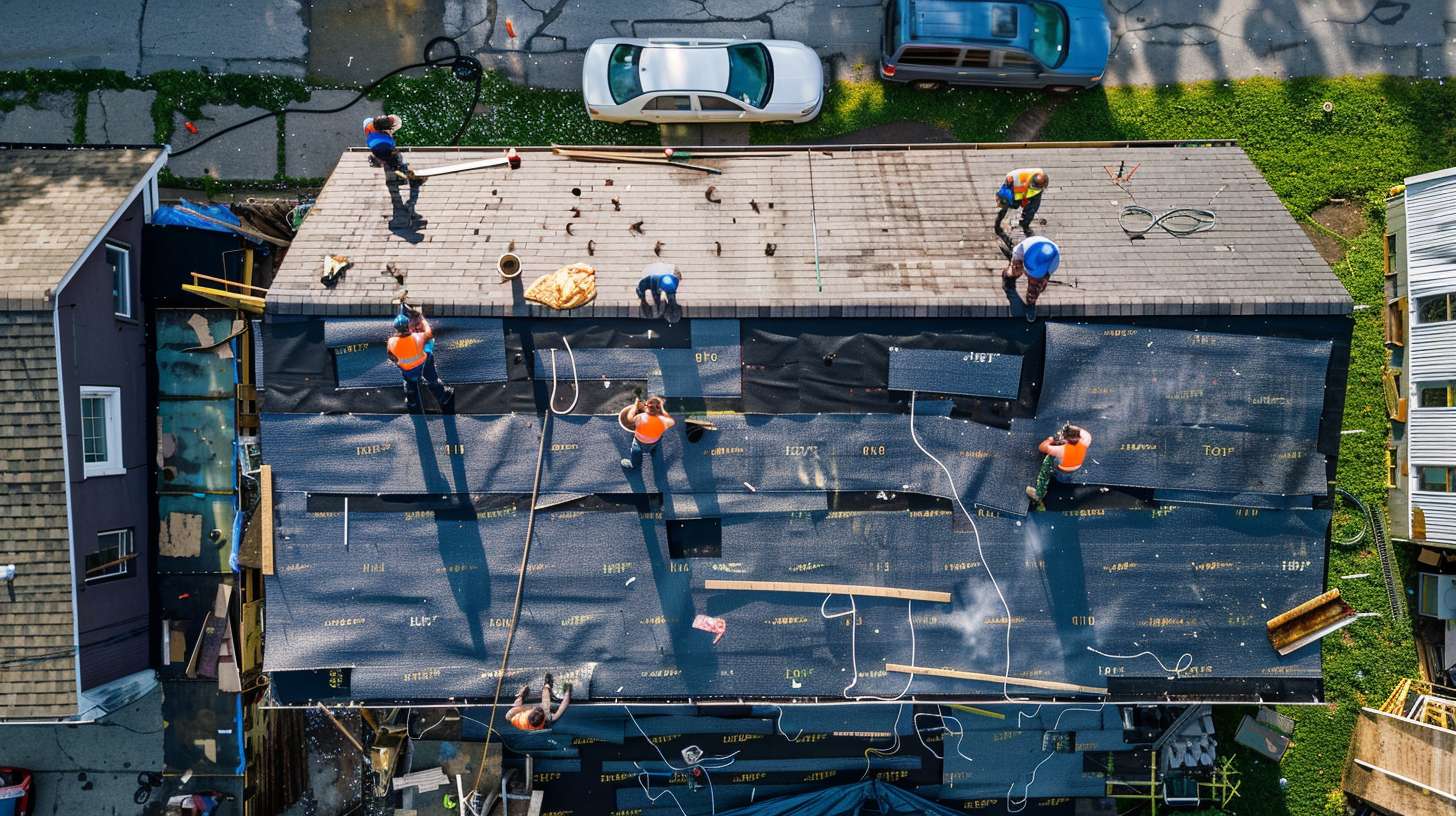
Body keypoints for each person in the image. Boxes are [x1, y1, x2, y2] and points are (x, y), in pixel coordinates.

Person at [386, 307, 454, 413]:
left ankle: (412, 402)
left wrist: (400, 361)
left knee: (409, 384)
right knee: (432, 379)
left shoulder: (391, 341)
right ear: (408, 326)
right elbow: (429, 333)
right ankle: (443, 398)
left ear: (396, 329)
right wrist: (422, 319)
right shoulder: (418, 338)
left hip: (407, 369)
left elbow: (391, 356)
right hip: (423, 364)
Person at [1026, 424, 1092, 507]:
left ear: (1066, 440)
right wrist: (1071, 430)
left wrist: (1049, 440)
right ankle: (1066, 482)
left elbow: (1042, 448)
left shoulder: (1061, 450)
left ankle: (1038, 495)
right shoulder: (1086, 440)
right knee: (1068, 477)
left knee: (1046, 470)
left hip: (1063, 470)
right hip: (1076, 467)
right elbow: (1081, 432)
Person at [1002, 235, 1060, 322]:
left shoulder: (1054, 259)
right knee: (1014, 272)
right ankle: (1007, 278)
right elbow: (1016, 259)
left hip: (1040, 270)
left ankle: (1031, 302)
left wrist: (1041, 284)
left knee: (1036, 289)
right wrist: (1015, 267)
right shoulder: (1022, 248)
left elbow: (1047, 276)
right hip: (1023, 261)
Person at [620, 396, 676, 470]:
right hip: (655, 440)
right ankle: (653, 451)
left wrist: (636, 404)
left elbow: (630, 418)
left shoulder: (641, 417)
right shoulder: (663, 420)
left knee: (636, 452)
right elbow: (671, 422)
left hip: (640, 442)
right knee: (654, 446)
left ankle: (633, 464)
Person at [363, 114, 419, 183]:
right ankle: (401, 173)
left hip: (373, 145)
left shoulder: (369, 125)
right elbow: (392, 148)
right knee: (396, 158)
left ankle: (377, 159)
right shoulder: (388, 139)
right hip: (383, 149)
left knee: (380, 150)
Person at [506, 673, 572, 731]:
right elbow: (564, 704)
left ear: (530, 713)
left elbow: (509, 715)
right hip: (535, 720)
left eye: (537, 710)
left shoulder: (517, 717)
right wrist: (568, 690)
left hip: (519, 716)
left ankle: (522, 695)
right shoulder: (548, 717)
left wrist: (521, 695)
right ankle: (547, 685)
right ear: (543, 720)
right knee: (547, 707)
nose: (540, 709)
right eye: (541, 711)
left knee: (518, 702)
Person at [994, 167, 1048, 236]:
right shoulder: (1015, 178)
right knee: (1006, 205)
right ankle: (998, 225)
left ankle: (1025, 224)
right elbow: (1004, 191)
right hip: (1017, 194)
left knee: (1032, 209)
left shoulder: (1041, 175)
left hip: (1032, 194)